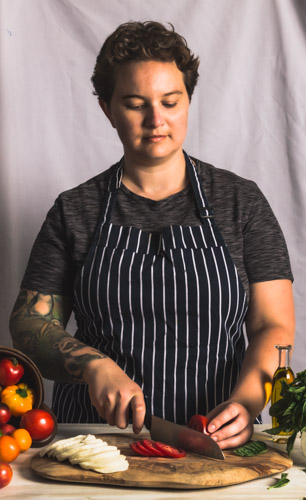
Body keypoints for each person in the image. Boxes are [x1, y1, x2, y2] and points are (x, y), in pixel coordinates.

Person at [9, 21, 295, 450]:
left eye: (170, 101)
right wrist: (92, 365)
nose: (156, 119)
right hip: (97, 443)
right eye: (135, 103)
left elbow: (274, 325)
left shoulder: (242, 203)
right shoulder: (75, 210)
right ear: (107, 109)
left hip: (215, 442)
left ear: (188, 102)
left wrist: (248, 402)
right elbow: (29, 321)